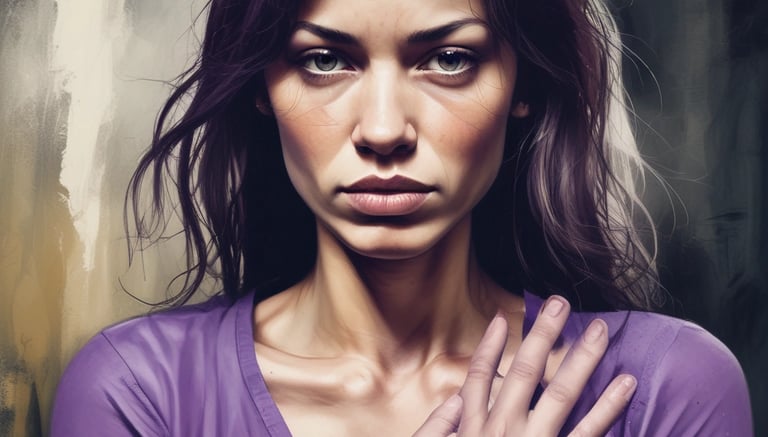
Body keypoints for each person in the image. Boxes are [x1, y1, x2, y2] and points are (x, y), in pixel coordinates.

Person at [51, 0, 753, 435]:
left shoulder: (662, 389)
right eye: (324, 60)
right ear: (262, 86)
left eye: (448, 59)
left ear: (525, 84)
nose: (384, 130)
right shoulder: (140, 393)